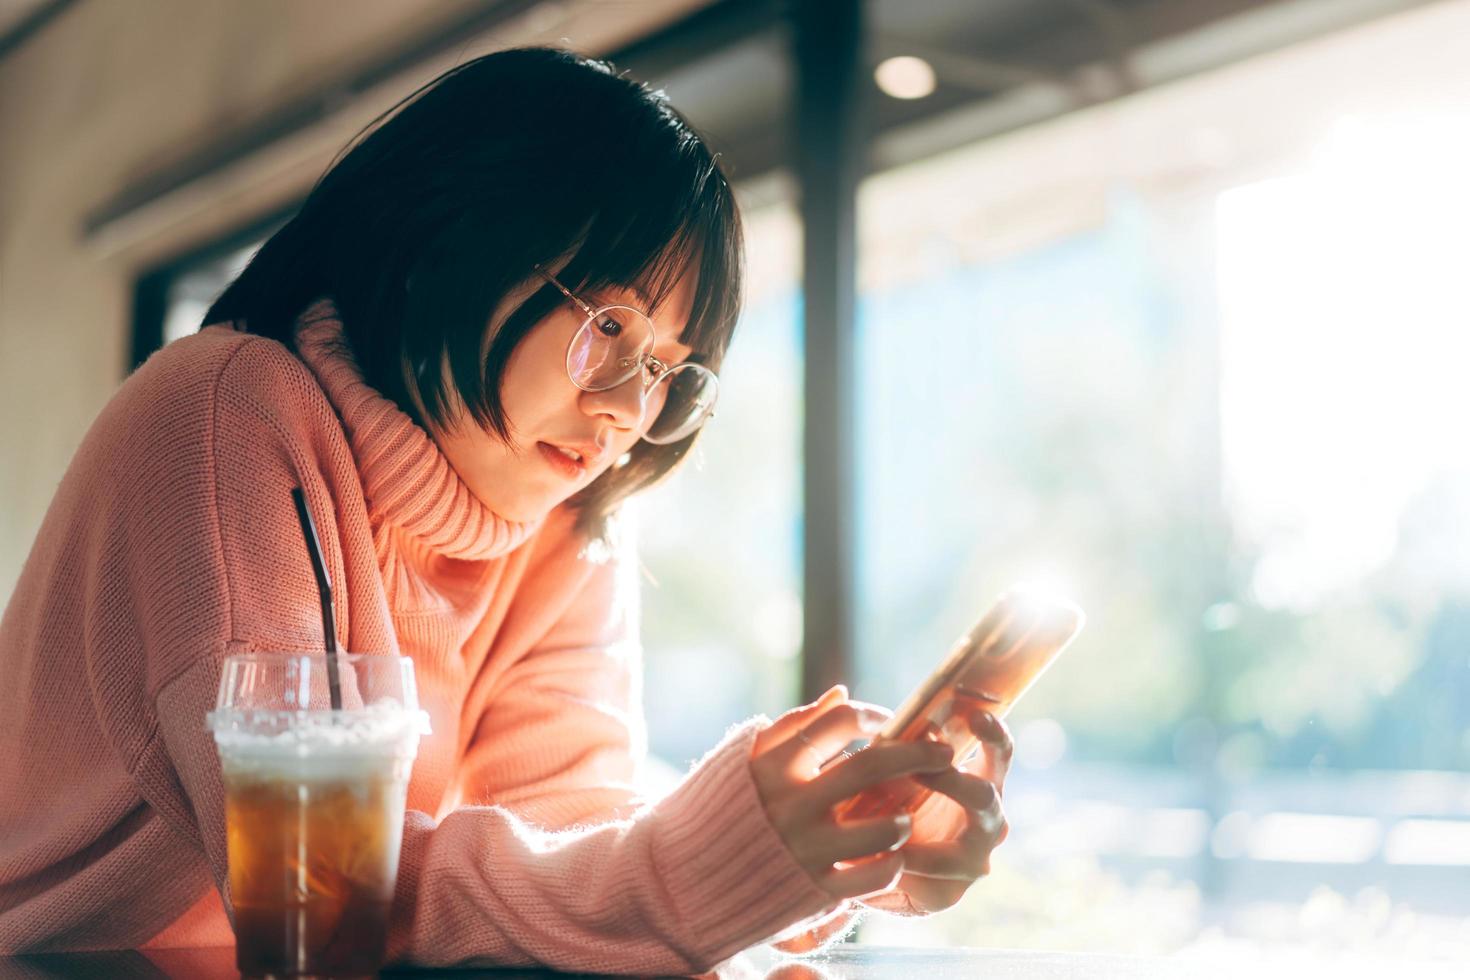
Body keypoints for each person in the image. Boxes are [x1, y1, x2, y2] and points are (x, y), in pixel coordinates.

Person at [0, 48, 1010, 973]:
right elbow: (327, 887)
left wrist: (835, 849)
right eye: (609, 322)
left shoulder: (569, 524)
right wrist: (710, 867)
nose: (624, 409)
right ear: (454, 239)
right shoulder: (226, 412)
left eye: (664, 369)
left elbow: (574, 867)